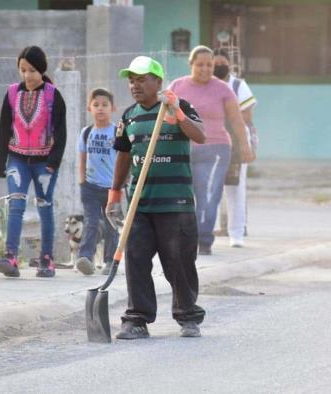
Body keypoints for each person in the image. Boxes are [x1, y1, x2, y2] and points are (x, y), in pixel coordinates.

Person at [106, 56, 206, 339]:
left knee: (179, 262)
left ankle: (188, 316)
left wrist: (178, 112)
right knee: (136, 259)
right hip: (141, 202)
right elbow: (123, 155)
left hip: (176, 202)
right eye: (131, 80)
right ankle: (137, 319)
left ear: (157, 82)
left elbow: (200, 136)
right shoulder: (129, 116)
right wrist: (114, 194)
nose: (135, 85)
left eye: (141, 79)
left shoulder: (177, 107)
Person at [169, 45, 254, 255]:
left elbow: (236, 120)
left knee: (208, 194)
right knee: (182, 194)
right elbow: (166, 117)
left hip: (215, 149)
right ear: (191, 65)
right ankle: (183, 236)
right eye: (200, 65)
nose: (205, 69)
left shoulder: (223, 89)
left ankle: (203, 240)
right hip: (183, 147)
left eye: (209, 65)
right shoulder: (177, 86)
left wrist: (245, 146)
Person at [0, 45, 66, 278]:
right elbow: (4, 129)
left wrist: (53, 162)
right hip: (17, 160)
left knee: (44, 207)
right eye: (23, 70)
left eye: (33, 70)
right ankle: (10, 257)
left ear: (41, 70)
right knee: (16, 205)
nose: (28, 76)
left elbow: (61, 132)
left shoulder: (53, 95)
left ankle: (46, 259)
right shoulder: (12, 93)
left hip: (44, 162)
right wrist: (0, 164)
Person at [212, 48, 258, 248]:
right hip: (211, 140)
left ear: (229, 65)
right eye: (215, 64)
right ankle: (207, 230)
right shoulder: (206, 86)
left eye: (222, 63)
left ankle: (236, 233)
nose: (218, 67)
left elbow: (246, 116)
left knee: (235, 188)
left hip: (236, 140)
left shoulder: (238, 85)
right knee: (209, 187)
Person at [74, 88, 120, 276]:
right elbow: (83, 158)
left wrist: (120, 185)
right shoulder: (86, 133)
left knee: (111, 225)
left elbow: (124, 159)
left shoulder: (117, 132)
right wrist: (82, 182)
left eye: (104, 105)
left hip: (112, 188)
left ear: (113, 108)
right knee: (91, 222)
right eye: (96, 105)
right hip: (90, 187)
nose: (100, 109)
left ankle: (110, 261)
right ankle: (85, 258)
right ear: (89, 108)